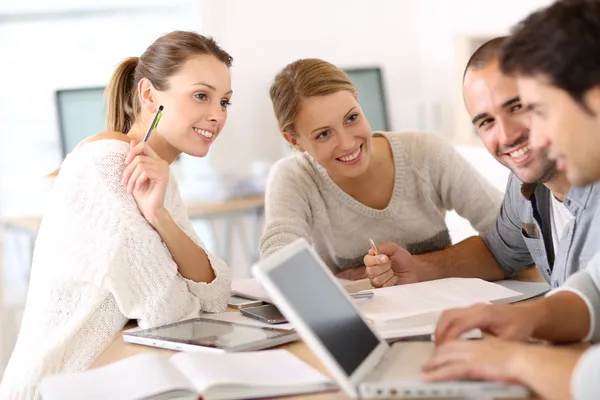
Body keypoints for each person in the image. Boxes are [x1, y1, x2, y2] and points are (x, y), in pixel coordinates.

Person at [0, 31, 233, 399]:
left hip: (117, 375)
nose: (217, 115)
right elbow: (170, 312)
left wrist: (160, 216)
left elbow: (215, 292)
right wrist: (184, 279)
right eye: (201, 96)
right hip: (60, 385)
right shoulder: (105, 167)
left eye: (225, 102)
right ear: (148, 95)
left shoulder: (155, 172)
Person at [423, 1, 600, 399]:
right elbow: (596, 290)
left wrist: (513, 361)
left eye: (538, 110)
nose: (532, 137)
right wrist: (525, 318)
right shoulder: (529, 187)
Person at [363, 35, 600, 289]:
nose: (507, 135)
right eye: (486, 122)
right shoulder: (526, 183)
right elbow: (496, 254)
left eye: (517, 107)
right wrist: (417, 268)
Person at [260, 58, 502, 279]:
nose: (347, 143)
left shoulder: (426, 153)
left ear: (357, 100)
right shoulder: (294, 178)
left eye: (351, 118)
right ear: (294, 141)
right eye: (324, 134)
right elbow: (279, 264)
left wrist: (419, 267)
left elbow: (515, 233)